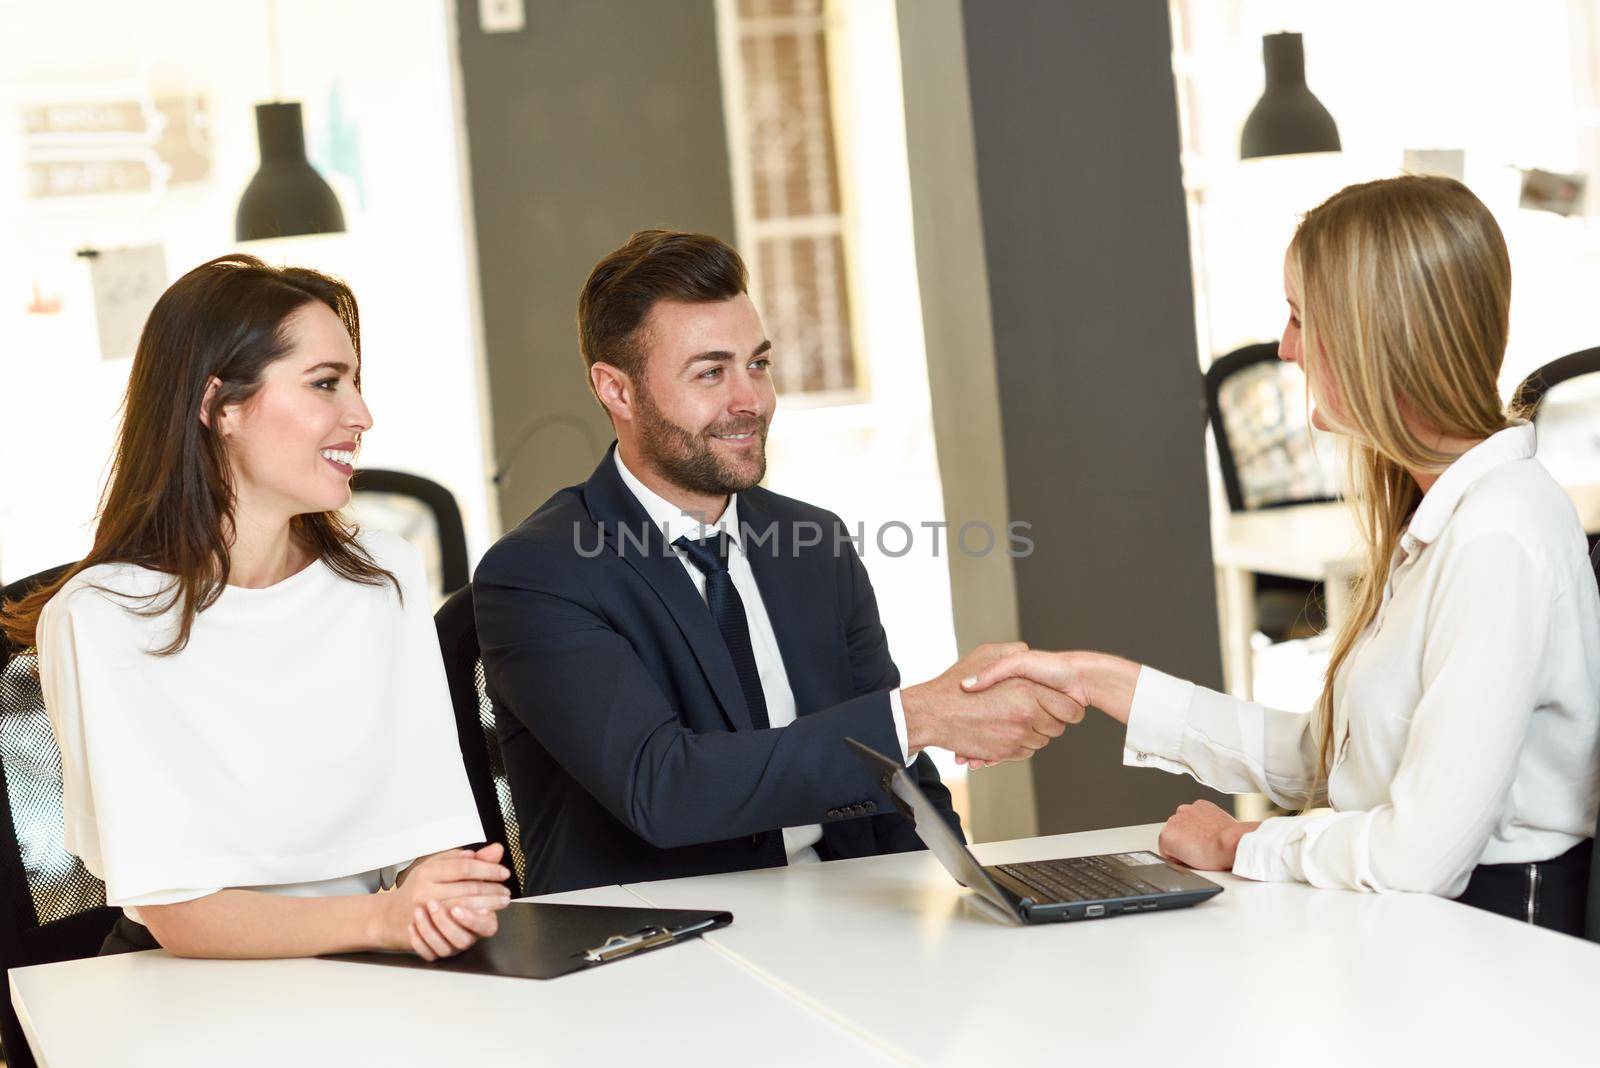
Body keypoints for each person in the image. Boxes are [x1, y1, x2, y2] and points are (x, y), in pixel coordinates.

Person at [963, 175, 1600, 935]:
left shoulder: (1499, 534)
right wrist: (1101, 681)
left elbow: (1418, 856)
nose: (1287, 348)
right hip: (1433, 930)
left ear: (1378, 332)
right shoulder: (1447, 516)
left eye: (1302, 318)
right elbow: (1332, 761)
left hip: (1499, 942)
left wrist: (1243, 842)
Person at [474, 230, 1080, 894]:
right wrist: (919, 717)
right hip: (664, 951)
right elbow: (664, 787)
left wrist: (963, 899)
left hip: (848, 920)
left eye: (756, 364)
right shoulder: (541, 572)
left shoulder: (814, 543)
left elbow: (905, 787)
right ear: (616, 391)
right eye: (711, 372)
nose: (751, 401)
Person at [0, 255, 510, 960]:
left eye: (355, 383)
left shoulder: (382, 574)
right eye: (326, 384)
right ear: (220, 407)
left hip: (377, 969)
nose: (361, 414)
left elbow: (423, 837)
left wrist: (441, 892)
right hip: (189, 988)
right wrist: (385, 921)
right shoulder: (101, 620)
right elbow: (181, 916)